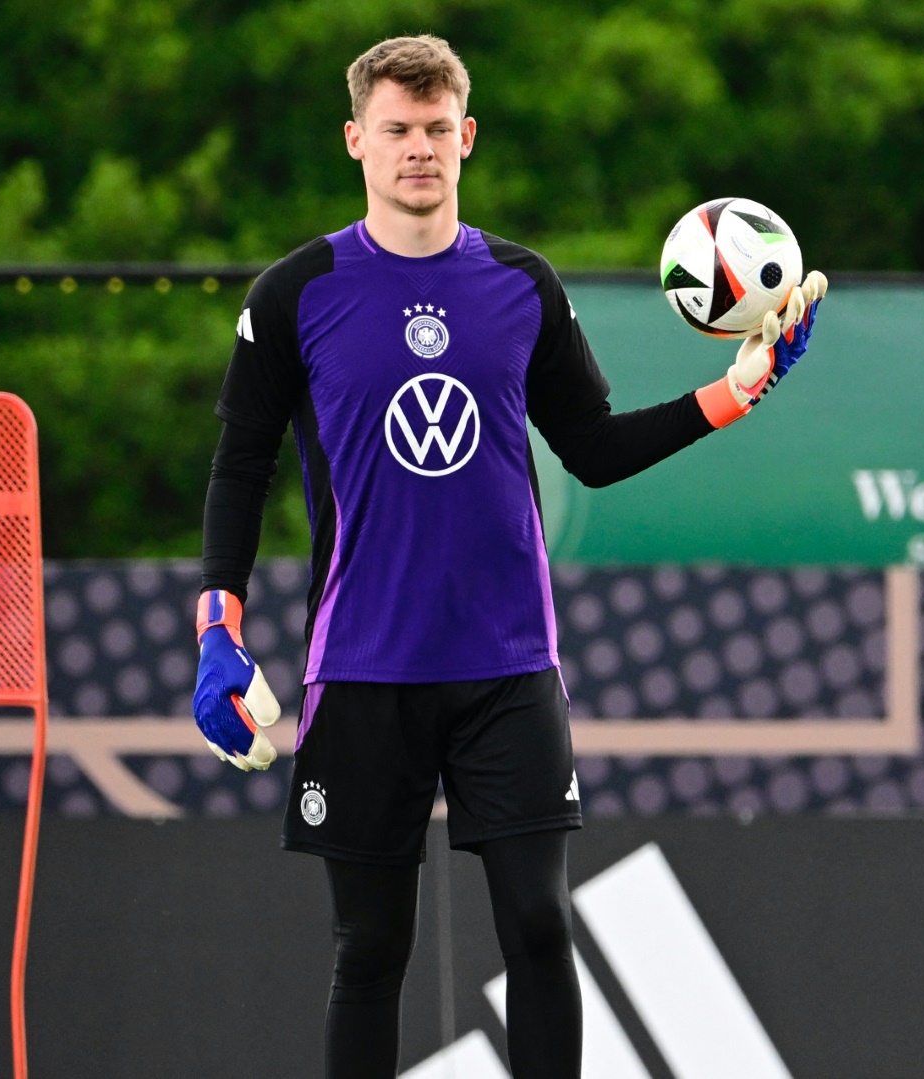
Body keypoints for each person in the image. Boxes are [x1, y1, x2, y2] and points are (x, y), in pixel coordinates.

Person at [187, 34, 826, 1079]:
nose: (419, 150)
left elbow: (597, 447)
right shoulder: (295, 293)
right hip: (361, 666)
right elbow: (237, 468)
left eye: (438, 130)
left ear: (467, 135)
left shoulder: (523, 286)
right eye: (397, 130)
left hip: (508, 665)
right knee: (371, 947)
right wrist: (217, 628)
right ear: (357, 140)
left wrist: (733, 391)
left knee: (538, 922)